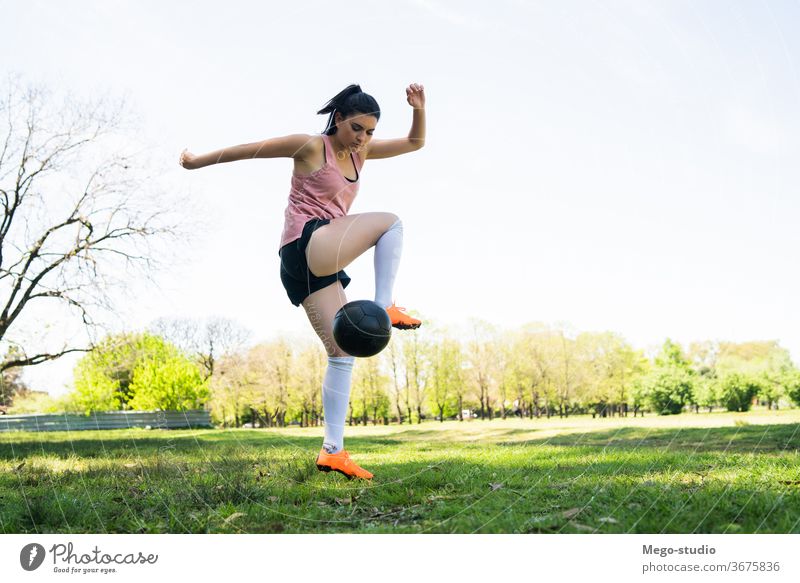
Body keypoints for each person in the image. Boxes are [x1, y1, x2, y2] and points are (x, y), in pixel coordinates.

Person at [179, 83, 426, 480]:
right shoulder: (311, 147)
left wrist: (419, 107)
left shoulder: (361, 152)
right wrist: (196, 161)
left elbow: (416, 142)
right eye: (356, 128)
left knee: (341, 352)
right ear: (339, 119)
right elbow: (250, 149)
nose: (362, 138)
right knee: (390, 223)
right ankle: (385, 305)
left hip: (313, 265)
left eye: (370, 132)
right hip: (306, 242)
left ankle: (333, 451)